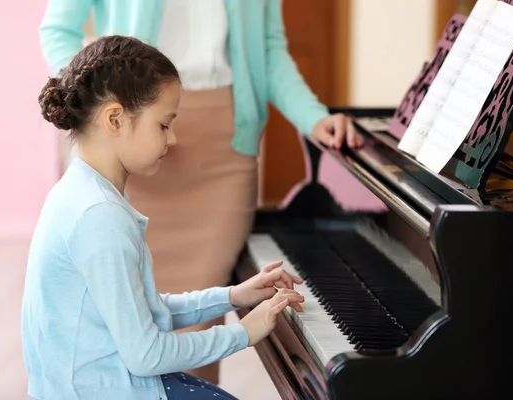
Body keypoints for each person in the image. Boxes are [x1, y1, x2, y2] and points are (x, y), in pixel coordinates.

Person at [39, 0, 362, 384]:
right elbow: (57, 30)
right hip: (131, 135)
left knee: (198, 326)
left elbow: (270, 50)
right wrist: (99, 101)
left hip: (223, 148)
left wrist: (314, 117)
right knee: (120, 322)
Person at [22, 34, 305, 400]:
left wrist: (232, 297)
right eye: (163, 125)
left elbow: (146, 310)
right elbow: (146, 354)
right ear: (115, 119)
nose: (172, 140)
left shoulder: (81, 193)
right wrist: (243, 334)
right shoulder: (100, 217)